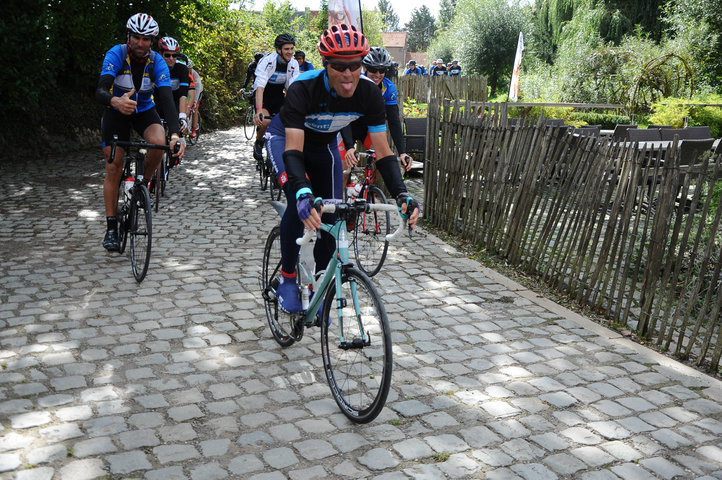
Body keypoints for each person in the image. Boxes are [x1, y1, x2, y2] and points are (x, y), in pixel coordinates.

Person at [265, 23, 420, 314]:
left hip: (324, 146)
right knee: (299, 205)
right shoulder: (304, 88)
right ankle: (287, 279)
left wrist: (402, 194)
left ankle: (322, 278)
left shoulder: (369, 94)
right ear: (325, 64)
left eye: (355, 65)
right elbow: (294, 151)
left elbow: (384, 151)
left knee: (332, 213)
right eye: (339, 66)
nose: (348, 73)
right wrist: (301, 192)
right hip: (286, 140)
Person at [95, 13, 185, 251]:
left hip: (144, 109)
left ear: (152, 42)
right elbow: (101, 90)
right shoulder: (116, 54)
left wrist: (175, 134)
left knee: (159, 142)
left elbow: (166, 99)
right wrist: (115, 102)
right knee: (114, 164)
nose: (140, 43)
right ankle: (112, 227)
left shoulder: (157, 61)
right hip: (117, 111)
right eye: (136, 37)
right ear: (129, 36)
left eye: (146, 39)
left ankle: (142, 183)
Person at [343, 47, 412, 169]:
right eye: (373, 70)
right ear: (365, 68)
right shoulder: (354, 84)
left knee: (382, 160)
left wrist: (402, 152)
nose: (377, 74)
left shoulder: (388, 88)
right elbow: (343, 118)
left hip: (370, 127)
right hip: (349, 125)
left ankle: (370, 186)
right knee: (345, 166)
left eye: (382, 70)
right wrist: (349, 147)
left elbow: (394, 121)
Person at [252, 34, 299, 162]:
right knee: (265, 121)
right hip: (264, 96)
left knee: (287, 123)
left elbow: (293, 89)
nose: (290, 52)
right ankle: (258, 141)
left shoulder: (294, 64)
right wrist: (259, 110)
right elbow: (260, 88)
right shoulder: (267, 61)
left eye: (291, 49)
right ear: (279, 50)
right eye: (286, 49)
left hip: (279, 96)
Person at [156, 36, 191, 135]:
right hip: (159, 99)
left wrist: (182, 117)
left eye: (174, 55)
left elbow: (183, 95)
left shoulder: (182, 68)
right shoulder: (153, 66)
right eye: (167, 55)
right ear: (160, 54)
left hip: (175, 100)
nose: (171, 59)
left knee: (179, 131)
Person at [185, 58, 203, 139]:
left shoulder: (195, 76)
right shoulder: (181, 72)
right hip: (188, 90)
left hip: (197, 91)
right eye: (187, 69)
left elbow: (197, 89)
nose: (188, 70)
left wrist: (194, 102)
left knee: (195, 109)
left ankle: (194, 130)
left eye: (190, 69)